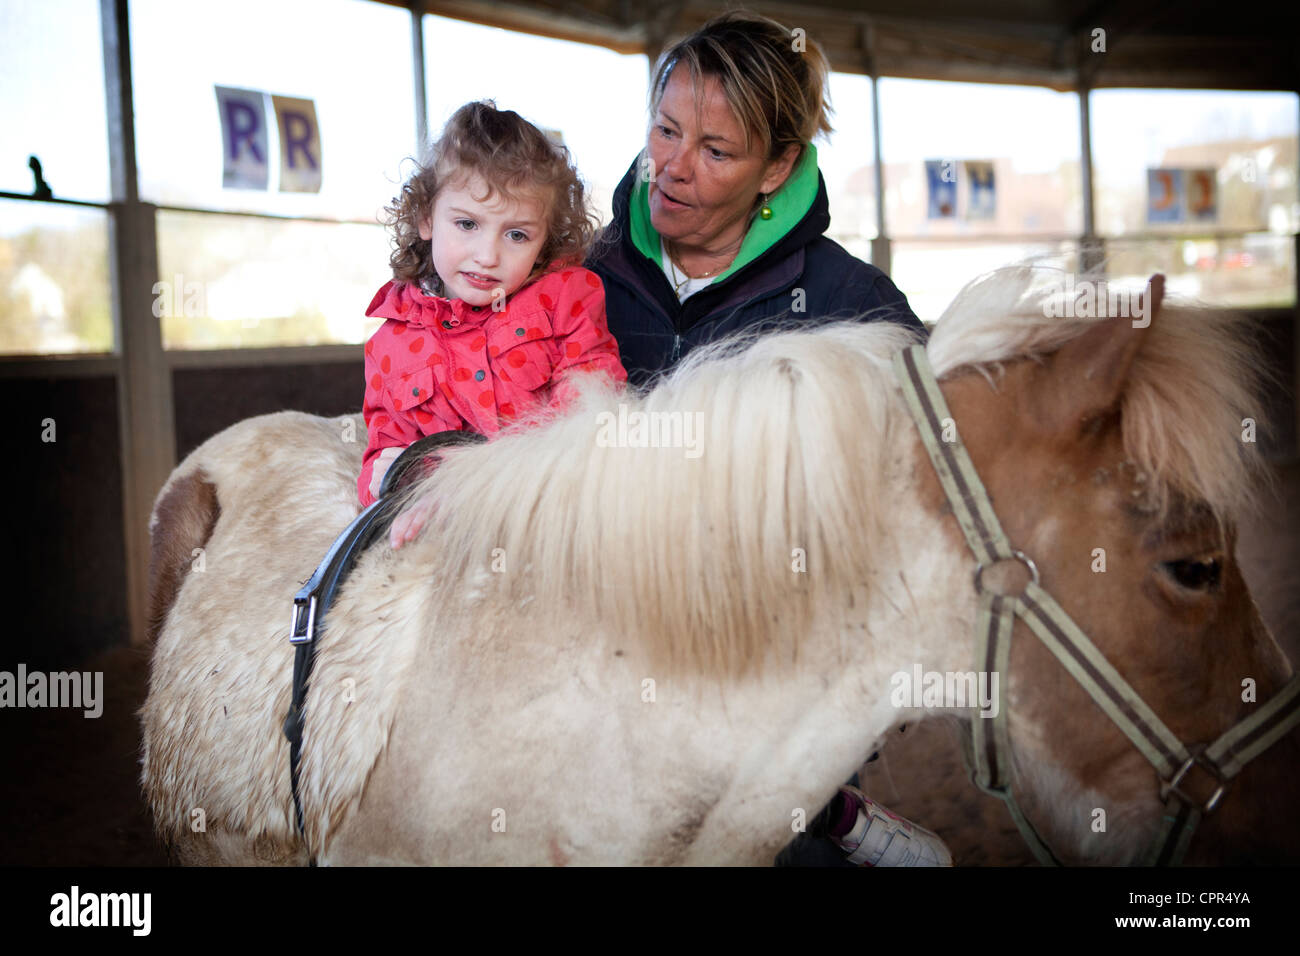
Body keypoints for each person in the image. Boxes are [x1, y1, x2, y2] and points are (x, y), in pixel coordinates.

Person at [585, 10, 949, 866]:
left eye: (716, 151)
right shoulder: (580, 278)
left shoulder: (850, 306)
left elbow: (929, 485)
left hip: (764, 665)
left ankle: (824, 814)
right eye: (665, 130)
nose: (671, 168)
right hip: (597, 647)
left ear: (777, 167)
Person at [359, 101, 627, 547]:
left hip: (554, 510)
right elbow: (384, 455)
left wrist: (479, 481)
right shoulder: (391, 344)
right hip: (445, 528)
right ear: (426, 218)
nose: (488, 255)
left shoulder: (568, 299)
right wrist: (398, 482)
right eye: (466, 224)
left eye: (517, 234)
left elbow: (592, 410)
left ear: (545, 239)